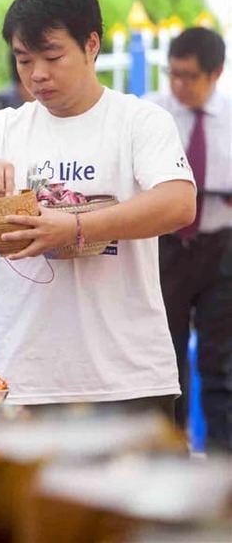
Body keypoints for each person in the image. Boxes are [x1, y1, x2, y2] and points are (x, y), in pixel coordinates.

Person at [0, 0, 196, 414]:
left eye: (52, 57)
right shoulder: (2, 129)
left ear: (91, 45)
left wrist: (75, 227)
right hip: (26, 377)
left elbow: (178, 204)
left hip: (127, 377)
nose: (37, 74)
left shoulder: (139, 121)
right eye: (24, 60)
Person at [146, 27, 231, 449]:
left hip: (222, 251)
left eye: (189, 76)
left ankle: (222, 466)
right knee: (163, 359)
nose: (179, 85)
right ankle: (168, 457)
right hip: (164, 251)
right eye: (172, 74)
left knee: (221, 363)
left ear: (216, 73)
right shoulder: (150, 115)